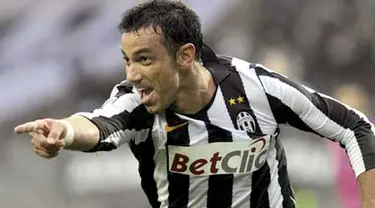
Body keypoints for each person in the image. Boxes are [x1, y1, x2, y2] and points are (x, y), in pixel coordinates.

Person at [14, 1, 375, 208]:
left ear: (185, 55)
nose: (133, 74)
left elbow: (355, 126)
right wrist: (64, 131)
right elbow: (100, 125)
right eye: (127, 60)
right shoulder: (135, 101)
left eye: (144, 59)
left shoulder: (257, 88)